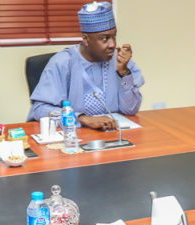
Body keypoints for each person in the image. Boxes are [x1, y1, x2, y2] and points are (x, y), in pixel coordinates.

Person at [28, 1, 144, 130]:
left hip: (113, 134)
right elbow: (40, 110)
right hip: (73, 137)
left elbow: (130, 110)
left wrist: (124, 73)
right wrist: (82, 118)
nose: (112, 44)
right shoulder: (62, 62)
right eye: (104, 39)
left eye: (113, 36)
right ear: (86, 39)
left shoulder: (119, 59)